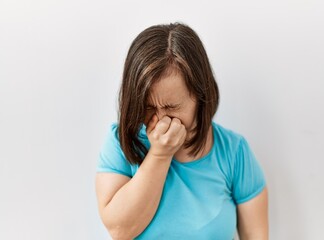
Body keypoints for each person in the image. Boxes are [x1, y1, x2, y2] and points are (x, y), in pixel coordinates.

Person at [95, 22, 268, 240]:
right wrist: (160, 154)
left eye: (171, 107)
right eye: (148, 107)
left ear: (200, 96)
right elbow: (120, 230)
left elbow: (256, 234)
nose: (159, 121)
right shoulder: (120, 142)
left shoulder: (234, 151)